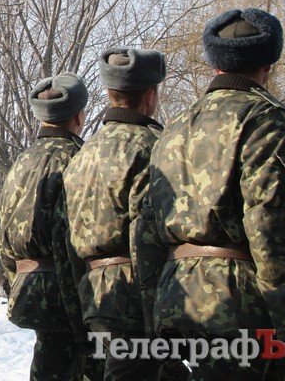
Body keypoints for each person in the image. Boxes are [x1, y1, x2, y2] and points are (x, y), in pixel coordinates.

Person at [140, 8, 285, 380]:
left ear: (215, 64)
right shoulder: (264, 117)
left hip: (178, 293)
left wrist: (154, 308)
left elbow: (147, 227)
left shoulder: (174, 127)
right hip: (237, 300)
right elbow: (273, 222)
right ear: (268, 64)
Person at [62, 47, 185, 381]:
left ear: (108, 94)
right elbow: (144, 238)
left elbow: (68, 240)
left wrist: (80, 301)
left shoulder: (82, 155)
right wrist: (157, 315)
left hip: (96, 291)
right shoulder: (154, 147)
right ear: (149, 95)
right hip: (137, 295)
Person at [0, 73, 100, 380]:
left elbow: (4, 234)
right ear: (79, 116)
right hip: (67, 294)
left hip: (29, 286)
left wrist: (16, 283)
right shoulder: (78, 160)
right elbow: (70, 242)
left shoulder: (20, 163)